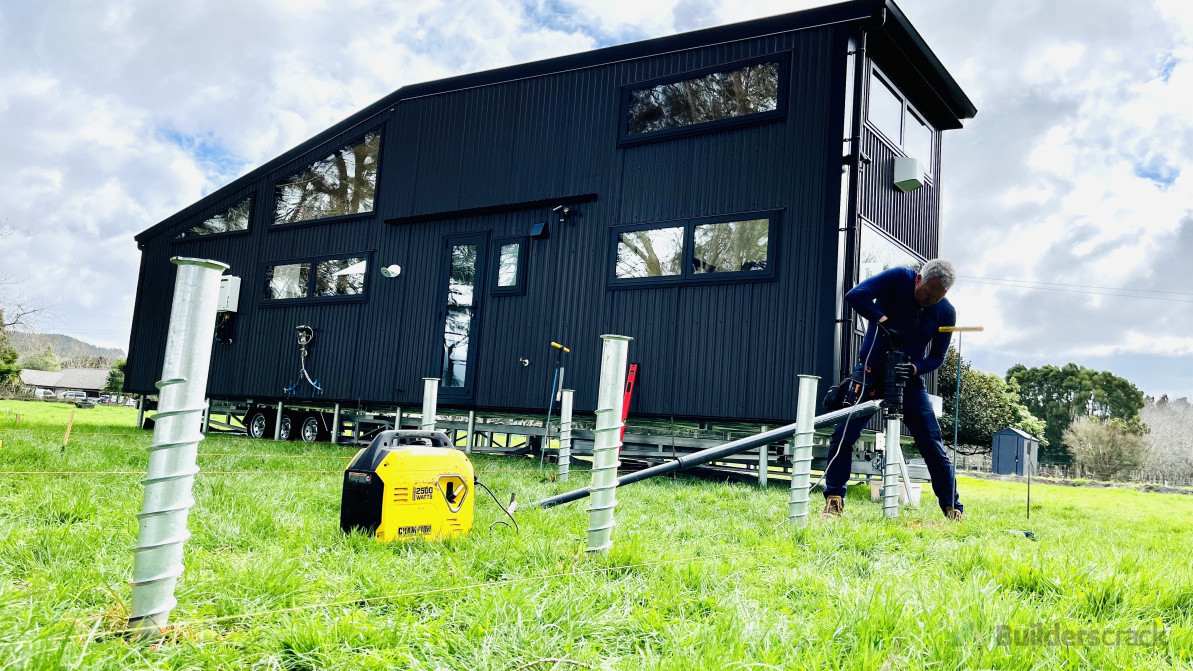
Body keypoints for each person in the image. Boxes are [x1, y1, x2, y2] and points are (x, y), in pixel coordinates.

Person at [820, 259, 963, 521]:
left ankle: (953, 511)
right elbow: (856, 295)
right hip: (870, 373)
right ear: (919, 279)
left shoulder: (947, 313)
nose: (930, 301)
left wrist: (916, 369)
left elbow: (938, 357)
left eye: (937, 297)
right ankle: (834, 502)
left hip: (908, 380)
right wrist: (883, 321)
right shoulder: (898, 278)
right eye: (928, 294)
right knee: (843, 435)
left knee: (933, 446)